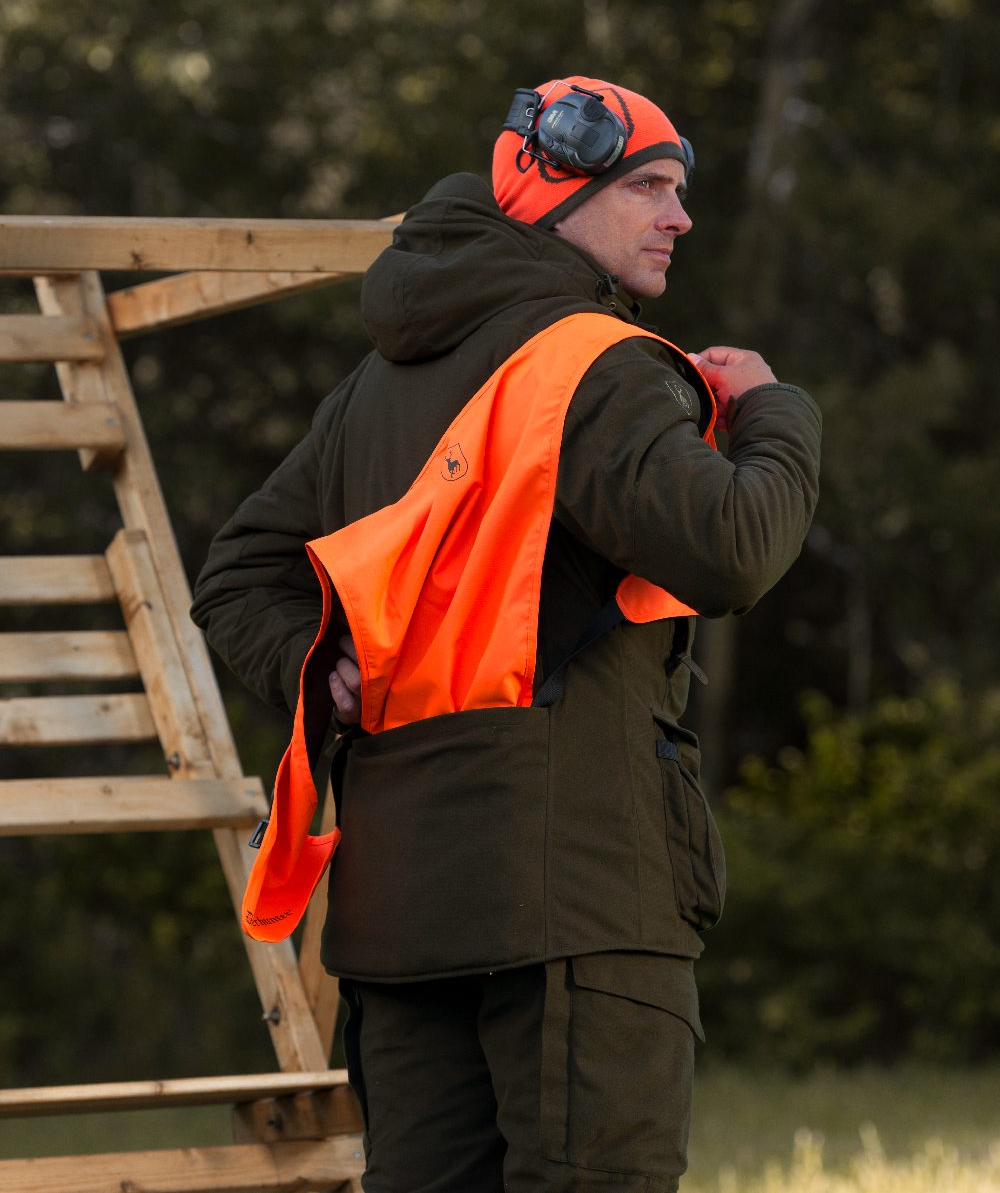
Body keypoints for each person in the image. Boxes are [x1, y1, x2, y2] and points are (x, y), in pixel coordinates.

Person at [191, 75, 822, 1193]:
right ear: (552, 195)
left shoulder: (375, 384)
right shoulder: (589, 361)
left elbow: (240, 568)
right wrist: (777, 413)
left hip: (398, 915)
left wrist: (314, 668)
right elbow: (733, 548)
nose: (678, 217)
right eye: (649, 189)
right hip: (573, 904)